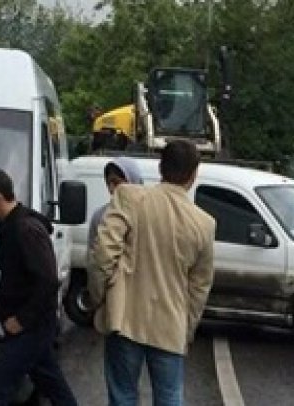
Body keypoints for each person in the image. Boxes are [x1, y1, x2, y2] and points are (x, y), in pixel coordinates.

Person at [91, 141, 216, 406]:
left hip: (125, 317)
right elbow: (199, 286)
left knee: (123, 395)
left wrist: (99, 296)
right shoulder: (204, 224)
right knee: (169, 397)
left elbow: (103, 253)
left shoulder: (129, 197)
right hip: (171, 324)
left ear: (160, 167)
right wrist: (187, 328)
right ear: (194, 174)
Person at [0, 167, 78, 405]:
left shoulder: (25, 229)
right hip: (24, 324)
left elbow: (48, 281)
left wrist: (22, 319)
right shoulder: (9, 225)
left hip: (32, 326)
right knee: (51, 382)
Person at [87, 157, 144, 309]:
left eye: (117, 182)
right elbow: (95, 261)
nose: (112, 189)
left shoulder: (148, 214)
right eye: (109, 183)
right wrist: (99, 298)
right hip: (114, 300)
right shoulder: (101, 216)